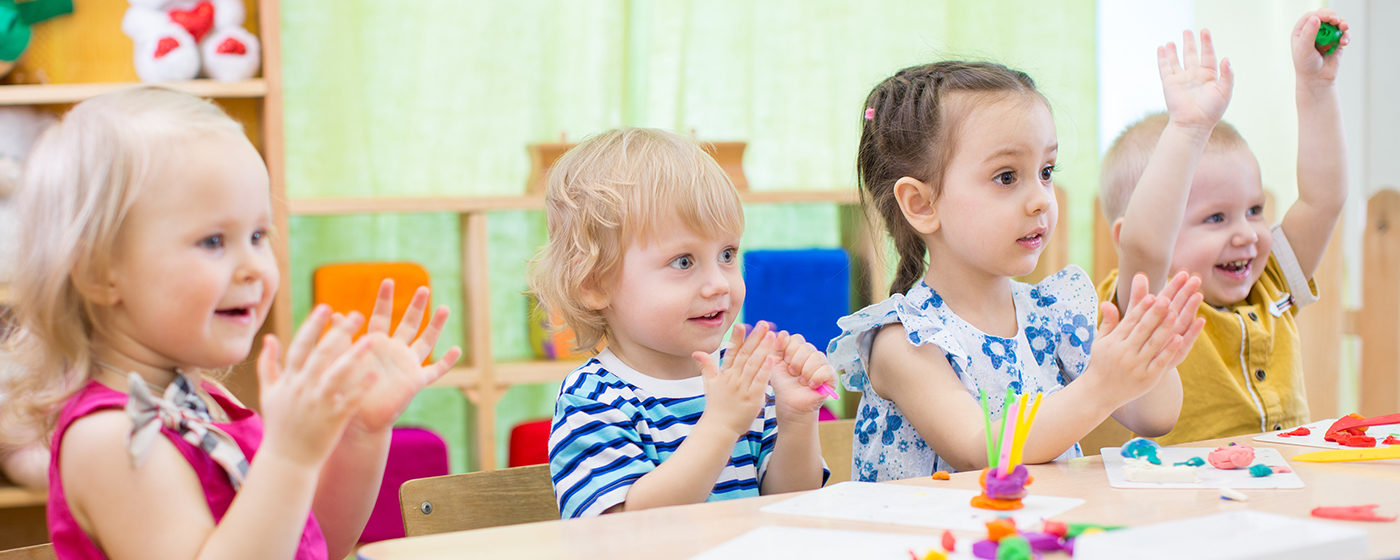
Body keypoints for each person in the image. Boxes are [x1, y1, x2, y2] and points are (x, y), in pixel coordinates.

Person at [0, 86, 461, 559]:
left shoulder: (205, 403)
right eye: (214, 241)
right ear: (100, 273)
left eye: (259, 235)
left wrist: (361, 430)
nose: (253, 267)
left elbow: (313, 542)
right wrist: (288, 455)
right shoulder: (113, 438)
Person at [827, 49, 1221, 481]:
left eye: (1047, 171)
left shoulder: (1051, 313)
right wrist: (1099, 387)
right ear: (921, 204)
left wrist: (1146, 359)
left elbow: (1156, 415)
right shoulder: (903, 342)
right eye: (1007, 177)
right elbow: (981, 449)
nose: (1040, 199)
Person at [532, 128, 833, 518]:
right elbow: (625, 530)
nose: (718, 284)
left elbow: (790, 502)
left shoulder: (741, 380)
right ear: (594, 284)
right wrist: (721, 427)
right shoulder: (592, 400)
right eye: (684, 261)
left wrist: (795, 418)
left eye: (727, 254)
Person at [1099, 10, 1349, 445]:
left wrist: (1316, 87)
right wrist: (1188, 130)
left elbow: (1322, 199)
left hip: (1279, 493)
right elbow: (1147, 245)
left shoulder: (1272, 281)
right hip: (1180, 501)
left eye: (1254, 210)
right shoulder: (1144, 306)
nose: (1247, 233)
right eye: (1215, 218)